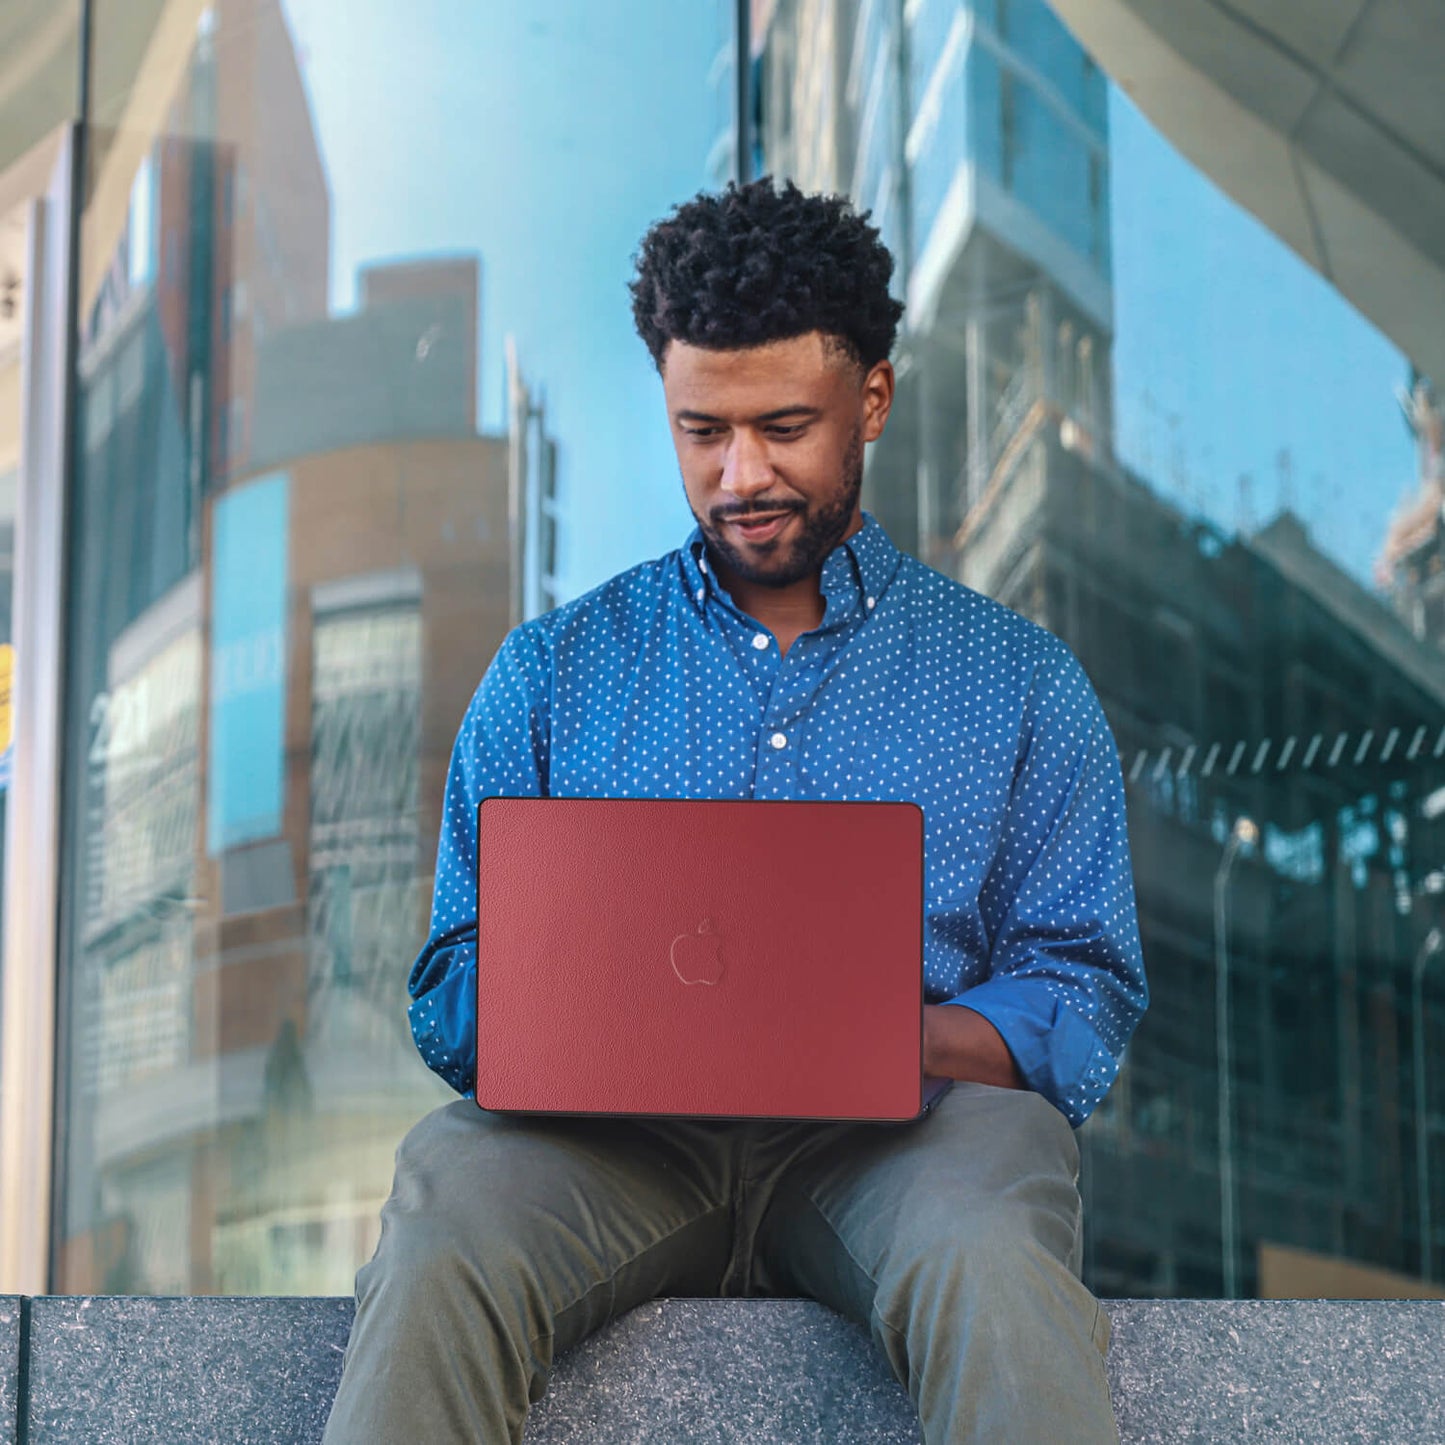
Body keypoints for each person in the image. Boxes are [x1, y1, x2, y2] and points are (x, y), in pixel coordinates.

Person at [322, 178, 1147, 1445]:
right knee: (446, 1206)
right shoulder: (551, 672)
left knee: (993, 1243)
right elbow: (450, 983)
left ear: (870, 397)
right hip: (604, 1147)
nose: (739, 471)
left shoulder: (1018, 681)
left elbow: (1079, 996)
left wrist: (862, 1028)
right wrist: (587, 1007)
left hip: (906, 1147)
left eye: (782, 425)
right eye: (700, 429)